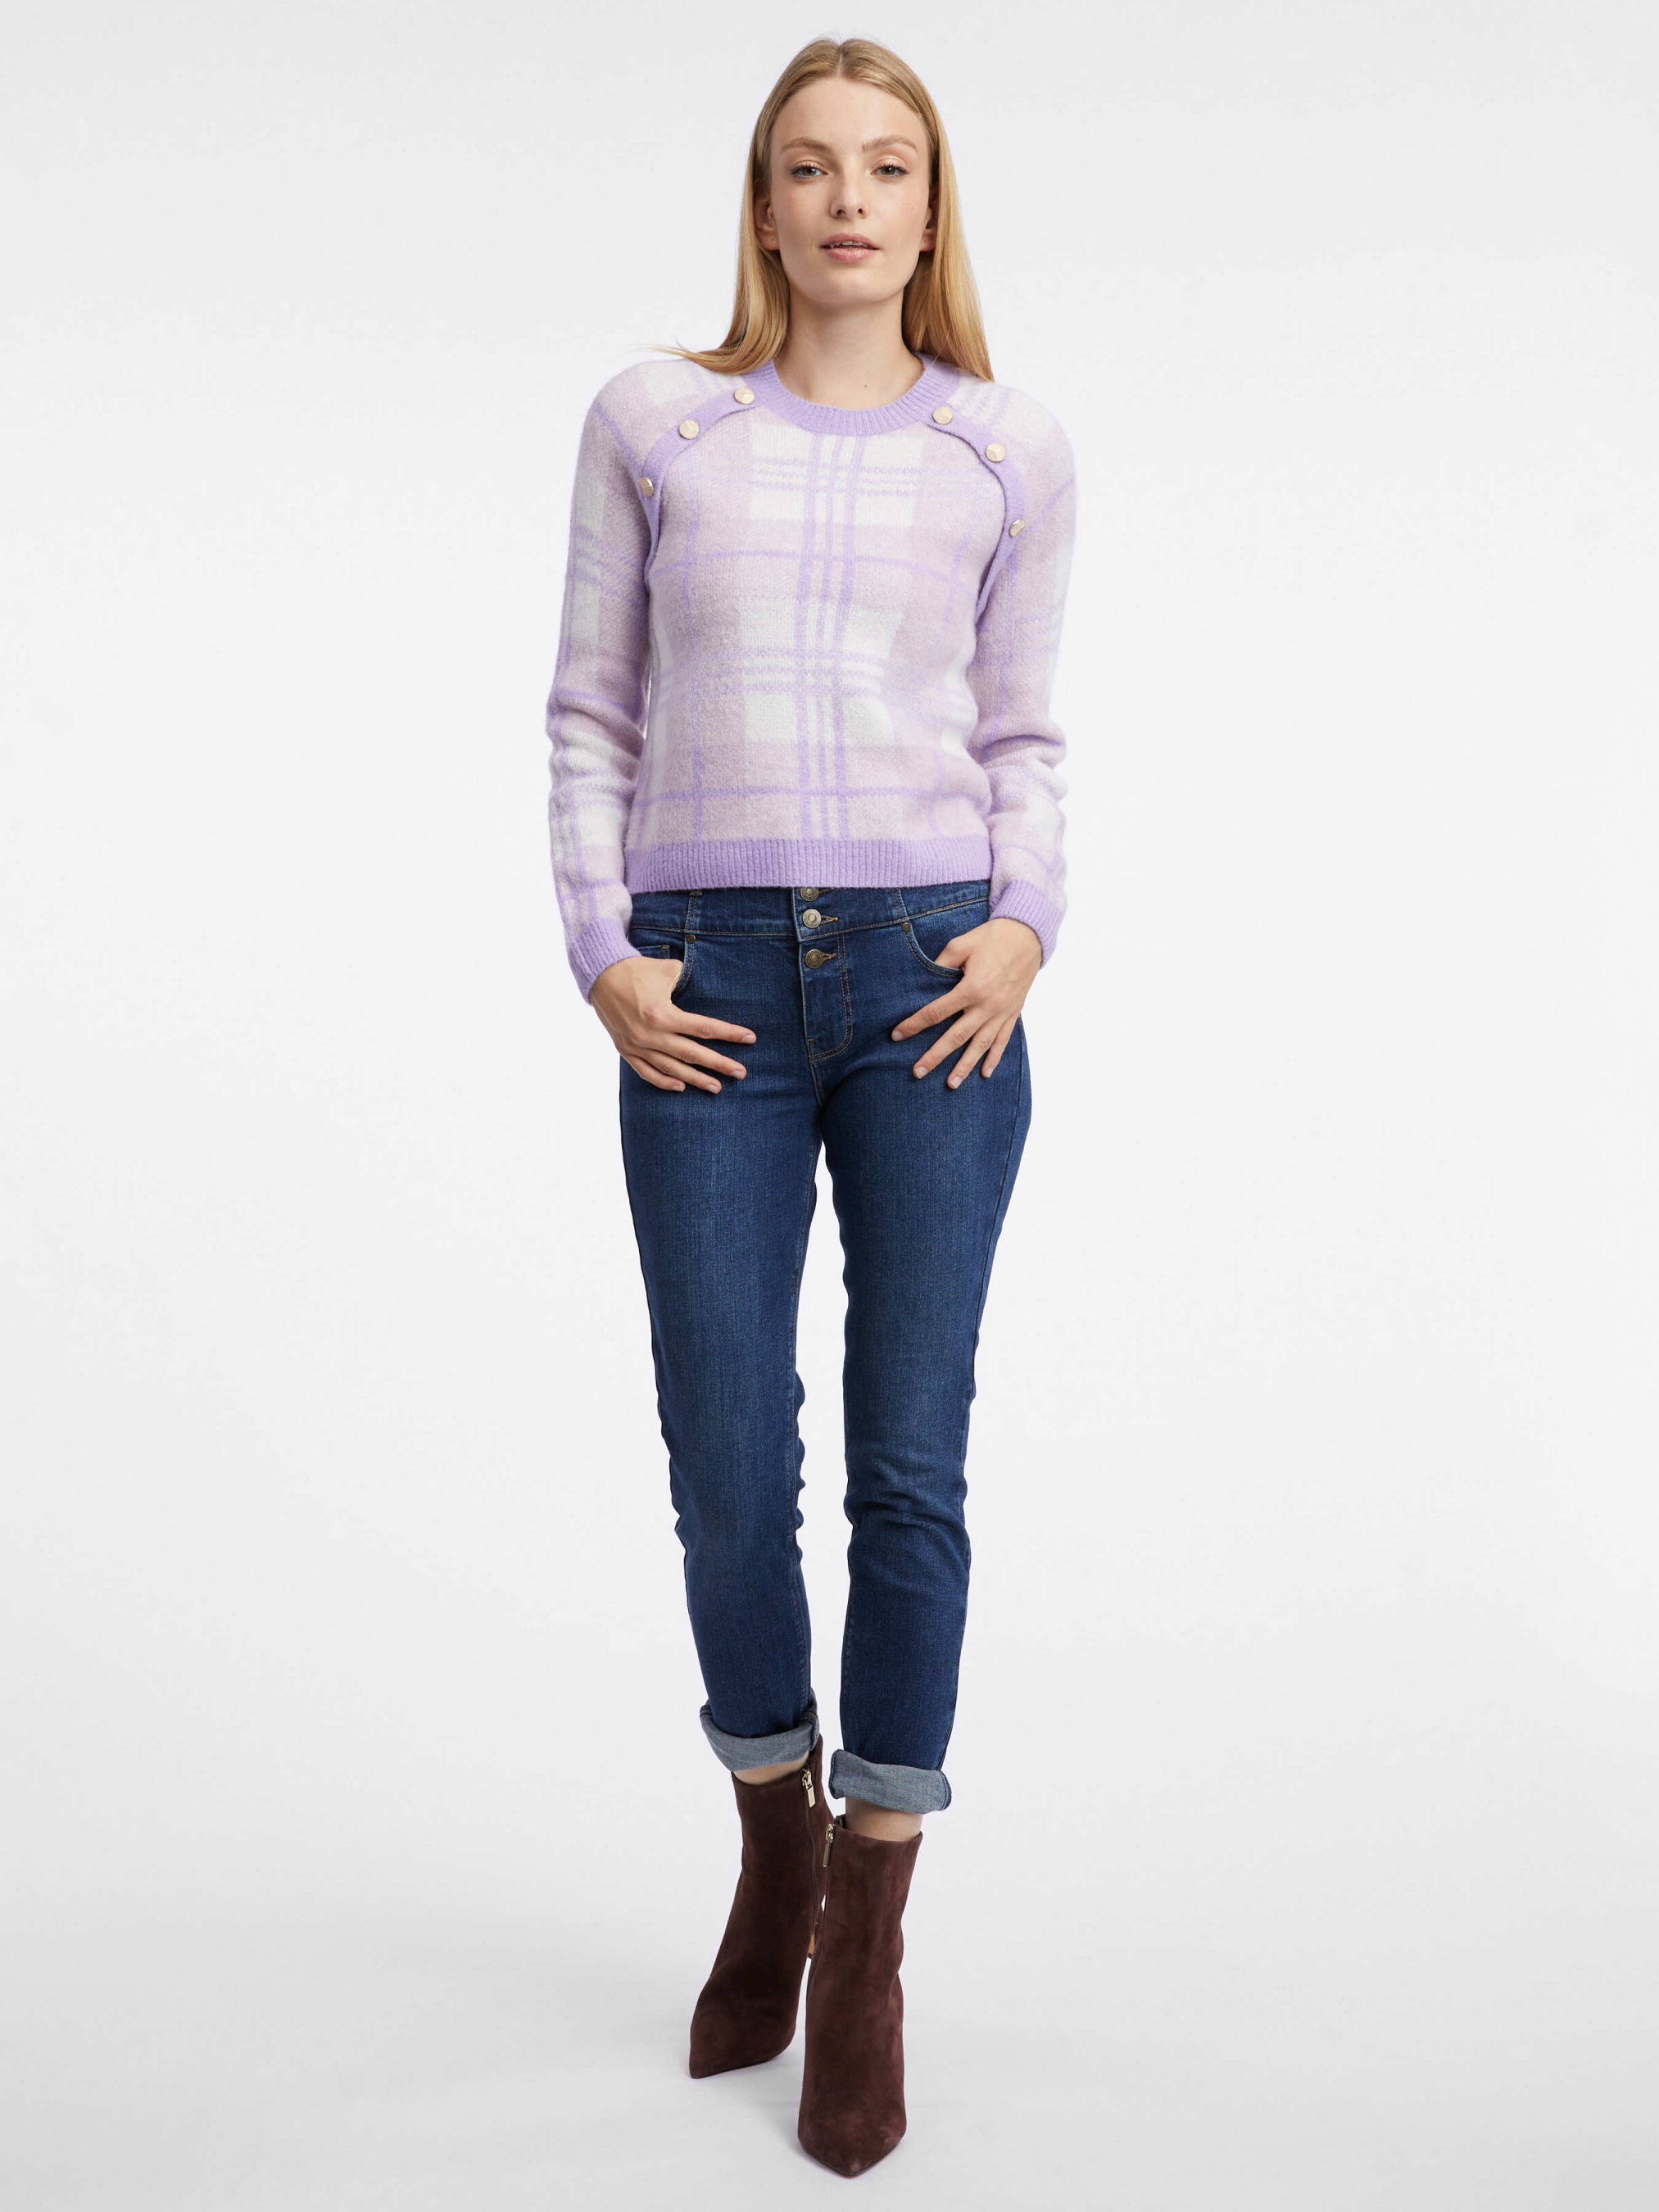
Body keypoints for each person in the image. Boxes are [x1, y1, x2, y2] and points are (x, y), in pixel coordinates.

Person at [543, 34, 1077, 2178]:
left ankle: (869, 1928)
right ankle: (773, 1839)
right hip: (710, 985)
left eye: (887, 167)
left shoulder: (1003, 448)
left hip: (935, 979)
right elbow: (590, 708)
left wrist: (1024, 923)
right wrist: (603, 950)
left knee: (907, 1463)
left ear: (933, 211)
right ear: (761, 204)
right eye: (808, 166)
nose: (849, 200)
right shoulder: (654, 422)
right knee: (721, 1458)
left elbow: (1025, 730)